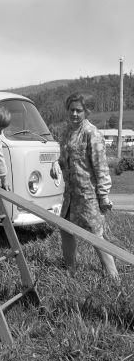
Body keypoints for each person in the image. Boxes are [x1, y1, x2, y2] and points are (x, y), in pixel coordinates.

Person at [50, 93, 118, 280]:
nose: (74, 114)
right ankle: (70, 271)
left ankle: (114, 277)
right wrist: (56, 164)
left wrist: (103, 195)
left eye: (78, 110)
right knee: (65, 229)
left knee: (96, 235)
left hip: (88, 195)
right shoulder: (67, 132)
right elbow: (64, 159)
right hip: (70, 194)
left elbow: (101, 167)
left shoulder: (91, 133)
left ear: (86, 111)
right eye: (71, 110)